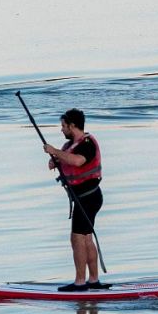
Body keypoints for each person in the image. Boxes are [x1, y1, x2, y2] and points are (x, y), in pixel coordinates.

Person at [42, 109, 106, 292]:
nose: (61, 129)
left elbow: (77, 161)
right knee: (85, 238)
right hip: (82, 199)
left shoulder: (87, 143)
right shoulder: (68, 145)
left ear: (72, 125)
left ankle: (80, 283)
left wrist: (54, 151)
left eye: (63, 126)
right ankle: (93, 281)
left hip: (88, 198)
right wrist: (54, 160)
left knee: (77, 238)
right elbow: (65, 160)